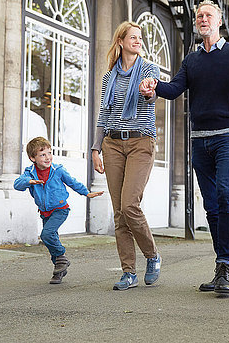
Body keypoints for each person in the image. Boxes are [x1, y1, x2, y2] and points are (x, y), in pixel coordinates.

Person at [139, 0, 229, 295]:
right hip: (200, 139)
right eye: (199, 15)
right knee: (210, 205)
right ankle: (225, 266)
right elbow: (173, 90)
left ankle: (225, 264)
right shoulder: (192, 60)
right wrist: (154, 85)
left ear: (219, 21)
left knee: (226, 194)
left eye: (208, 14)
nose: (202, 18)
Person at [91, 21, 162, 291]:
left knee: (130, 204)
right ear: (120, 41)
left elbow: (151, 94)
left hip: (140, 142)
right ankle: (128, 272)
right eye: (133, 37)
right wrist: (96, 148)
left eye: (140, 38)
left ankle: (152, 256)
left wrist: (148, 91)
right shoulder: (110, 77)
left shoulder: (148, 69)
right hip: (112, 144)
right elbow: (103, 115)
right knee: (120, 212)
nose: (138, 41)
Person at [14, 137, 103, 284]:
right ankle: (59, 269)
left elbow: (72, 182)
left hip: (60, 209)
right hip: (44, 211)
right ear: (32, 158)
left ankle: (61, 257)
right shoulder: (30, 172)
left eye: (49, 153)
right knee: (51, 238)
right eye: (42, 155)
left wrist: (87, 193)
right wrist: (28, 181)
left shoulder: (58, 170)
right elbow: (17, 184)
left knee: (46, 234)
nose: (48, 157)